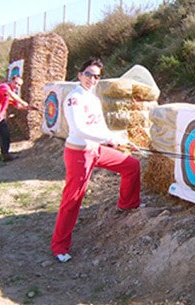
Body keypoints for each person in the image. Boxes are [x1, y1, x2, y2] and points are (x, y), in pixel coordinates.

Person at [51, 57, 141, 263]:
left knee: (131, 165)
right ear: (80, 74)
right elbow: (79, 129)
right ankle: (59, 246)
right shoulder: (74, 98)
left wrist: (121, 141)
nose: (93, 79)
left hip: (96, 149)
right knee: (73, 199)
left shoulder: (94, 98)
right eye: (89, 74)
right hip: (79, 154)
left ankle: (127, 205)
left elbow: (99, 128)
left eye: (97, 76)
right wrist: (110, 139)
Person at [0, 75, 34, 168]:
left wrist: (28, 107)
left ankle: (5, 154)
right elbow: (11, 95)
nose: (16, 86)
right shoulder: (4, 87)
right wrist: (23, 102)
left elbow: (18, 106)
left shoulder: (12, 93)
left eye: (19, 85)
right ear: (11, 81)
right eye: (16, 83)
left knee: (5, 135)